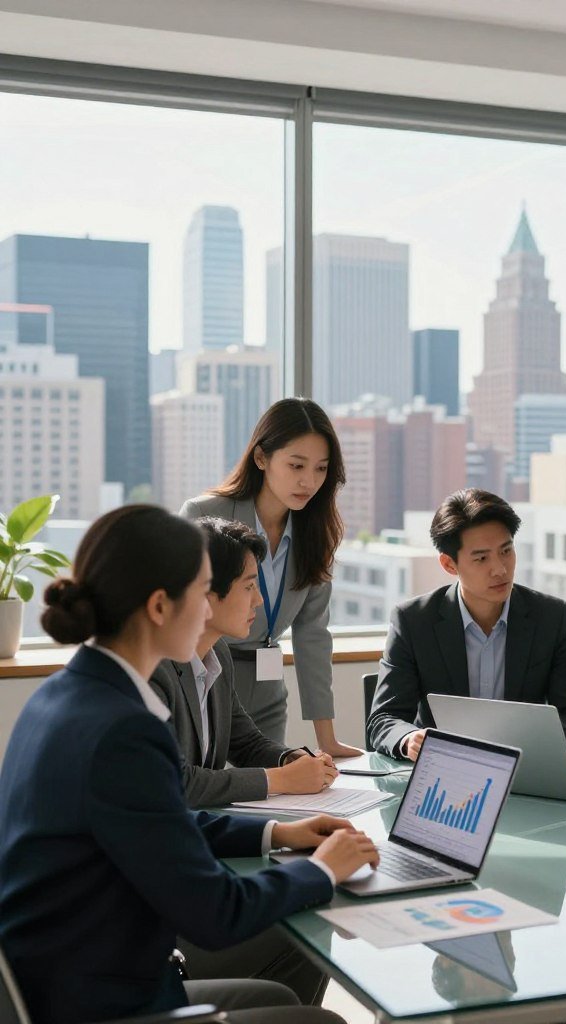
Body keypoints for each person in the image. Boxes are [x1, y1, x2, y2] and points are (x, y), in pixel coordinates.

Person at [0, 505, 379, 1024]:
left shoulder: (64, 695)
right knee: (323, 1022)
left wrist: (277, 834)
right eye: (203, 591)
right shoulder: (123, 729)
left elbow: (157, 821)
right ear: (160, 606)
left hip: (69, 978)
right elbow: (216, 914)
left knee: (283, 1001)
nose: (209, 609)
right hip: (108, 1003)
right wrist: (322, 870)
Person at [182, 397, 359, 756]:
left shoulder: (317, 532)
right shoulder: (205, 513)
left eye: (321, 469)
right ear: (262, 458)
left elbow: (313, 634)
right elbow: (177, 609)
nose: (308, 481)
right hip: (206, 676)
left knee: (270, 795)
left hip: (268, 686)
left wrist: (327, 740)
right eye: (296, 465)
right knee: (209, 790)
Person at [367, 489, 566, 761]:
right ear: (449, 564)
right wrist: (408, 739)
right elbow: (384, 719)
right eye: (481, 558)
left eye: (506, 551)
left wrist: (544, 745)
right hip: (443, 770)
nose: (500, 569)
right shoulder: (414, 621)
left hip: (525, 771)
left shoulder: (551, 617)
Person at [150, 516, 339, 808]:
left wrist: (291, 759)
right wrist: (282, 780)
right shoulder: (154, 669)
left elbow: (245, 742)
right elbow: (176, 782)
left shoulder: (218, 653)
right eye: (249, 586)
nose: (259, 600)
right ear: (206, 593)